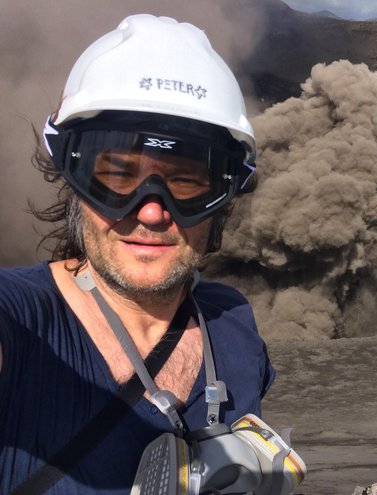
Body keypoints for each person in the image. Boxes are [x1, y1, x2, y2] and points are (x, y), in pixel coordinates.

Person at [0, 14, 277, 494]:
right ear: (71, 177)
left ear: (225, 195)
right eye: (117, 175)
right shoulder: (23, 322)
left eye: (187, 180)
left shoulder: (234, 325)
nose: (151, 212)